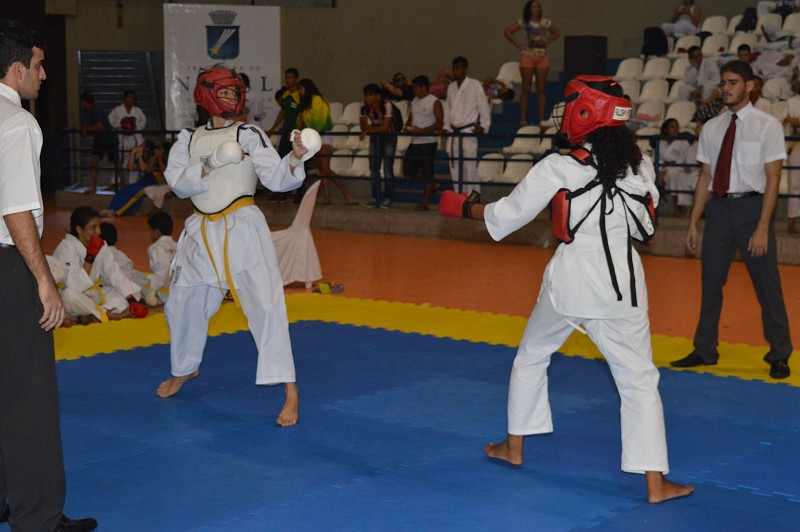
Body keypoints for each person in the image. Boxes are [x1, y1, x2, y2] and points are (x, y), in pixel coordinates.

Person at [439, 75, 694, 504]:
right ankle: (655, 484)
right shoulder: (641, 164)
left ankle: (514, 447)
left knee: (531, 355)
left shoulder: (557, 167)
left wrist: (465, 207)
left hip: (569, 284)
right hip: (623, 288)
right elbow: (645, 226)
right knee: (639, 382)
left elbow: (505, 216)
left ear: (584, 113)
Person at [156, 66, 315, 427]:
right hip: (201, 230)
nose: (231, 98)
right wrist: (211, 163)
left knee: (266, 305)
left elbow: (277, 179)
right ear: (205, 95)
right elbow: (178, 184)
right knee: (181, 304)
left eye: (234, 92)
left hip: (242, 227)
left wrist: (295, 158)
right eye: (224, 92)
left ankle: (290, 390)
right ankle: (185, 368)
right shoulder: (188, 139)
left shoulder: (248, 133)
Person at [0, 19, 98, 531]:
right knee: (28, 394)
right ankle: (37, 517)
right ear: (17, 69)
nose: (44, 75)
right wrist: (43, 279)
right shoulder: (18, 123)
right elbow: (17, 210)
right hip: (8, 267)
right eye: (39, 66)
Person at [671, 60, 793, 379]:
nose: (725, 88)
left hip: (753, 211)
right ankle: (704, 349)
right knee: (710, 283)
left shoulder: (767, 125)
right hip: (719, 212)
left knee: (767, 285)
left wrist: (763, 227)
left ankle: (780, 353)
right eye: (723, 83)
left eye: (733, 82)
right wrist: (693, 222)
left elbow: (774, 179)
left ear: (749, 86)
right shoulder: (712, 127)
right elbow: (705, 176)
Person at [54, 206, 147, 324]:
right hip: (74, 295)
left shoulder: (101, 245)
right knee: (69, 295)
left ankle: (93, 315)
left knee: (132, 292)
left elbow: (114, 273)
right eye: (93, 227)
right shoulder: (66, 248)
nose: (98, 231)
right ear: (79, 229)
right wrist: (90, 258)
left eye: (99, 226)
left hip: (93, 295)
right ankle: (104, 314)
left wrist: (131, 300)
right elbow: (74, 285)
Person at [297, 78, 355, 205]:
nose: (299, 92)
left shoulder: (318, 100)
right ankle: (327, 197)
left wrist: (308, 134)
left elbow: (320, 122)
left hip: (322, 137)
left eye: (300, 89)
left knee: (325, 169)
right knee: (322, 170)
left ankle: (345, 192)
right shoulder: (306, 104)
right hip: (313, 138)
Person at [504, 1, 559, 125]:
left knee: (541, 88)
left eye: (538, 7)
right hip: (527, 56)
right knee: (526, 88)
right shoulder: (523, 22)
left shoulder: (544, 22)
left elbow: (556, 33)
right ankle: (523, 118)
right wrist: (519, 45)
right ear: (529, 9)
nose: (537, 9)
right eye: (534, 7)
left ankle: (541, 118)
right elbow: (508, 32)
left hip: (541, 56)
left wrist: (546, 41)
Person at [444, 56, 491, 195]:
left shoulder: (474, 85)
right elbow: (447, 109)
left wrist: (483, 125)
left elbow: (484, 106)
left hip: (468, 131)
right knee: (454, 168)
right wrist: (446, 126)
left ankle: (473, 198)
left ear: (465, 70)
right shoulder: (451, 87)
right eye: (454, 69)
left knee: (470, 168)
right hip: (454, 132)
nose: (456, 72)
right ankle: (459, 197)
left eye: (459, 69)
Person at [402, 74, 444, 211]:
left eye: (415, 88)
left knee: (427, 171)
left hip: (428, 142)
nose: (414, 91)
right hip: (415, 141)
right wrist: (407, 127)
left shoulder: (434, 101)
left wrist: (423, 131)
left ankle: (425, 203)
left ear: (423, 88)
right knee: (408, 170)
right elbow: (411, 117)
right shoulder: (414, 100)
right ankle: (432, 183)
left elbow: (440, 122)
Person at [360, 82, 399, 208]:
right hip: (375, 138)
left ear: (377, 96)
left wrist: (369, 130)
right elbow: (363, 126)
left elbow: (385, 127)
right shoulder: (363, 105)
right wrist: (370, 130)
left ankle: (388, 198)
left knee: (387, 169)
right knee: (373, 168)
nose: (367, 98)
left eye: (370, 95)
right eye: (366, 95)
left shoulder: (386, 104)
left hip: (389, 137)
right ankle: (375, 197)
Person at [108, 89, 147, 187]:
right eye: (129, 98)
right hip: (123, 139)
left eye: (133, 98)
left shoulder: (137, 111)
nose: (131, 100)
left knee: (135, 161)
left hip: (136, 138)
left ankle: (133, 183)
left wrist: (134, 124)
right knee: (121, 161)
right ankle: (116, 183)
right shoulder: (117, 110)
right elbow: (110, 121)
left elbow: (143, 122)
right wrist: (122, 122)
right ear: (125, 98)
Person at [79, 90, 115, 194]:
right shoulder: (84, 111)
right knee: (94, 162)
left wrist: (88, 129)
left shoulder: (97, 109)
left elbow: (99, 126)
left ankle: (122, 184)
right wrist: (88, 129)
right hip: (98, 139)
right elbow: (86, 125)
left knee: (117, 162)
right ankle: (92, 186)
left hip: (109, 138)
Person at [657, 118, 694, 216]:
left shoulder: (683, 142)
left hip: (678, 167)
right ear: (665, 129)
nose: (675, 129)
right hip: (663, 167)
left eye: (677, 127)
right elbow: (659, 158)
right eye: (672, 127)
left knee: (673, 175)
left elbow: (682, 159)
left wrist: (665, 171)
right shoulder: (661, 141)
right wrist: (661, 171)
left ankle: (677, 209)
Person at [143, 211, 177, 306]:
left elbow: (163, 271)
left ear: (157, 232)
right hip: (180, 289)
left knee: (135, 278)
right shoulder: (178, 245)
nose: (149, 234)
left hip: (165, 293)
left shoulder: (154, 248)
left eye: (150, 230)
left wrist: (152, 290)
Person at [780, 78, 800, 233]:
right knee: (794, 184)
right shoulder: (791, 102)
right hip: (796, 146)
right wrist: (788, 119)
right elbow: (780, 120)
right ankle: (791, 221)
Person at [267, 67, 300, 158]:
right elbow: (283, 112)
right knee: (282, 156)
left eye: (290, 78)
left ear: (296, 79)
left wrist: (296, 130)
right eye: (286, 78)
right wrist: (273, 128)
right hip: (286, 131)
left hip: (297, 132)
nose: (287, 80)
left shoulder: (300, 95)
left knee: (297, 158)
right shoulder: (285, 94)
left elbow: (303, 115)